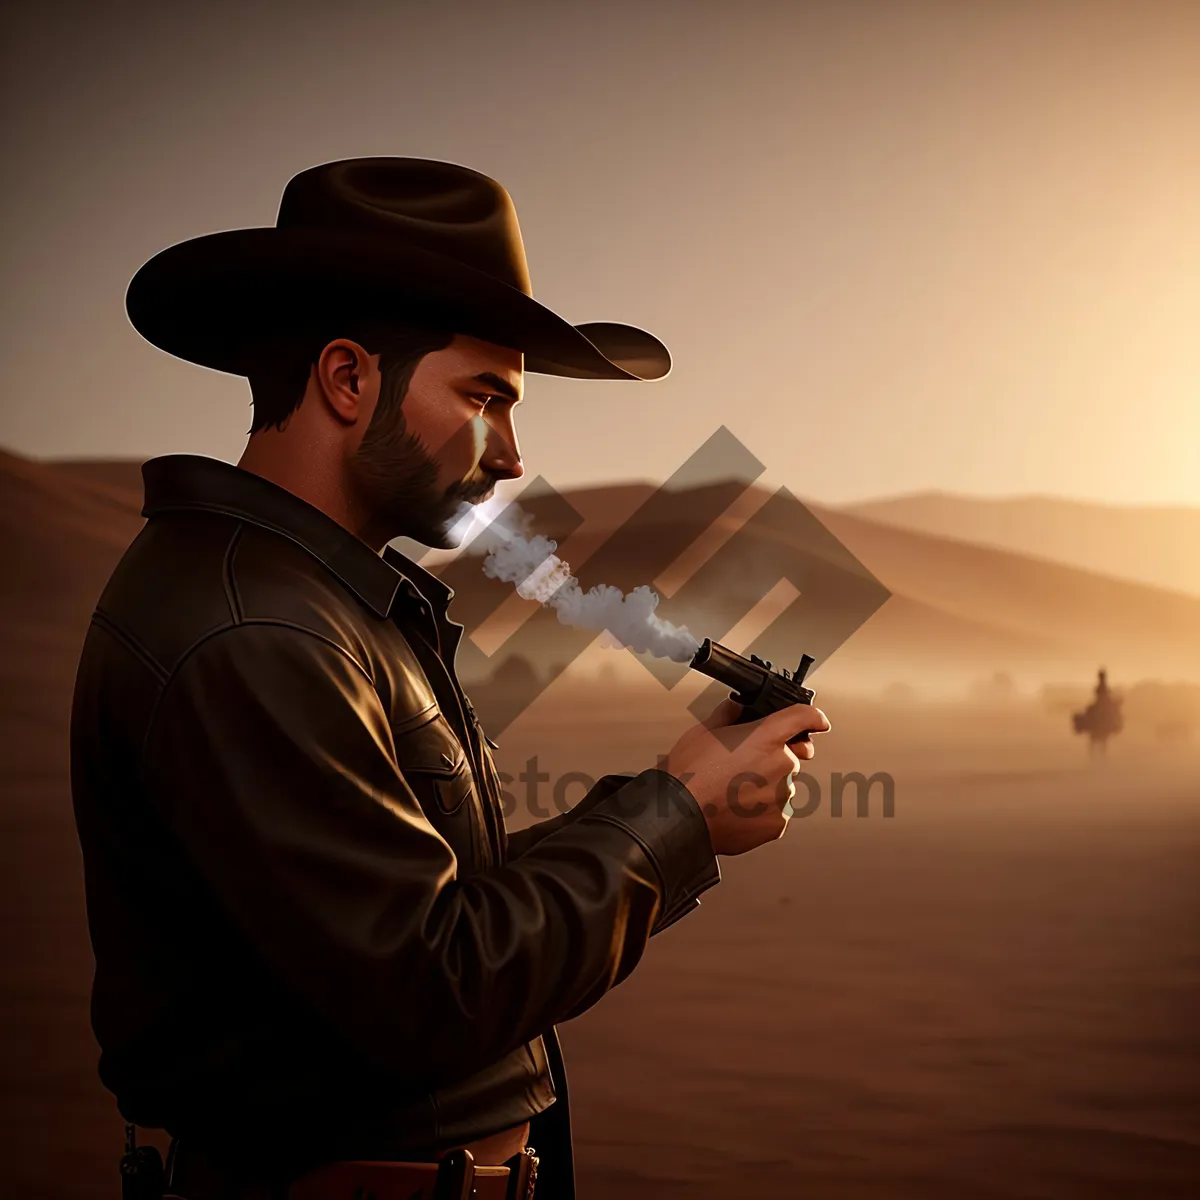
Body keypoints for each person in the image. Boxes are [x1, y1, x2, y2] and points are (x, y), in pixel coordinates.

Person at [70, 158, 831, 1199]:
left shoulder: (313, 604)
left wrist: (679, 797)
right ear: (349, 380)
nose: (513, 455)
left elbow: (438, 903)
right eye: (486, 397)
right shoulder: (255, 630)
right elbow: (431, 988)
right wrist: (682, 814)